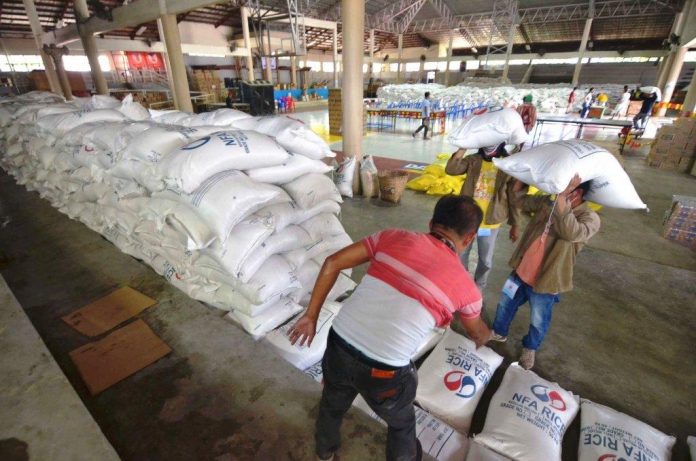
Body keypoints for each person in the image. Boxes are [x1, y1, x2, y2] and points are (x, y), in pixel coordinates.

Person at [288, 195, 491, 461]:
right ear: (470, 238)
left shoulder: (392, 236)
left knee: (332, 402)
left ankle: (324, 454)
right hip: (384, 371)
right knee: (401, 424)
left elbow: (332, 262)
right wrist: (486, 334)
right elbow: (476, 332)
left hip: (339, 342)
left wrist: (311, 316)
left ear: (432, 222)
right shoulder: (468, 289)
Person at [489, 175, 600, 370]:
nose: (557, 192)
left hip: (547, 280)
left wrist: (562, 201)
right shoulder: (549, 201)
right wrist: (520, 181)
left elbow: (571, 233)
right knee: (505, 304)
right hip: (521, 270)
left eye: (565, 188)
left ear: (578, 192)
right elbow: (519, 201)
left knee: (538, 320)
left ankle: (530, 348)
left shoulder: (589, 218)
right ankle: (498, 332)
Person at [445, 143, 522, 291]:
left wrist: (516, 224)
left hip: (489, 224)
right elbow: (451, 169)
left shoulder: (507, 165)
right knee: (461, 255)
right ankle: (462, 285)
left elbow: (514, 196)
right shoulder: (473, 160)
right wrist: (463, 146)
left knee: (485, 260)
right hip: (468, 221)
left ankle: (478, 289)